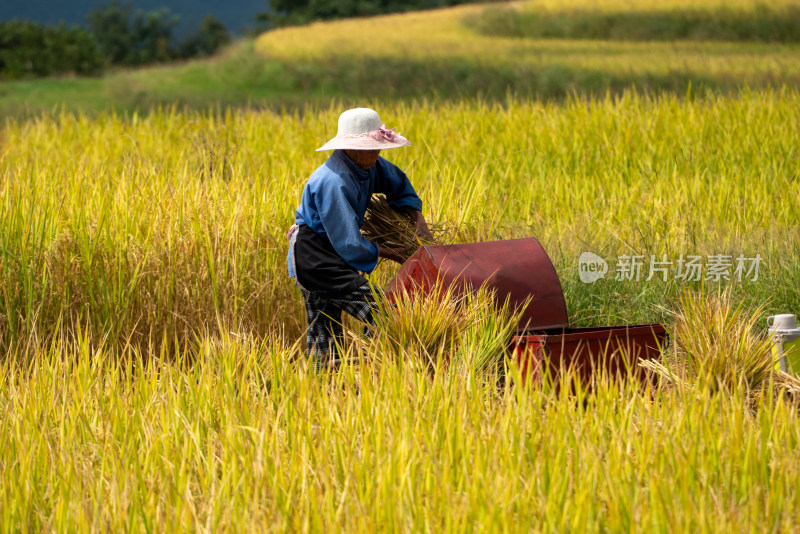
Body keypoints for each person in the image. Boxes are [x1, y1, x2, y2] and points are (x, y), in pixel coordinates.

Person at [287, 107, 430, 366]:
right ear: (350, 148)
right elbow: (349, 244)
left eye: (377, 148)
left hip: (330, 255)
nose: (376, 154)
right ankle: (374, 367)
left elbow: (399, 185)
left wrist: (419, 221)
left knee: (324, 335)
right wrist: (392, 253)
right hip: (316, 259)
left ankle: (328, 387)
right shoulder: (334, 181)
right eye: (370, 148)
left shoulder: (368, 163)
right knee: (384, 312)